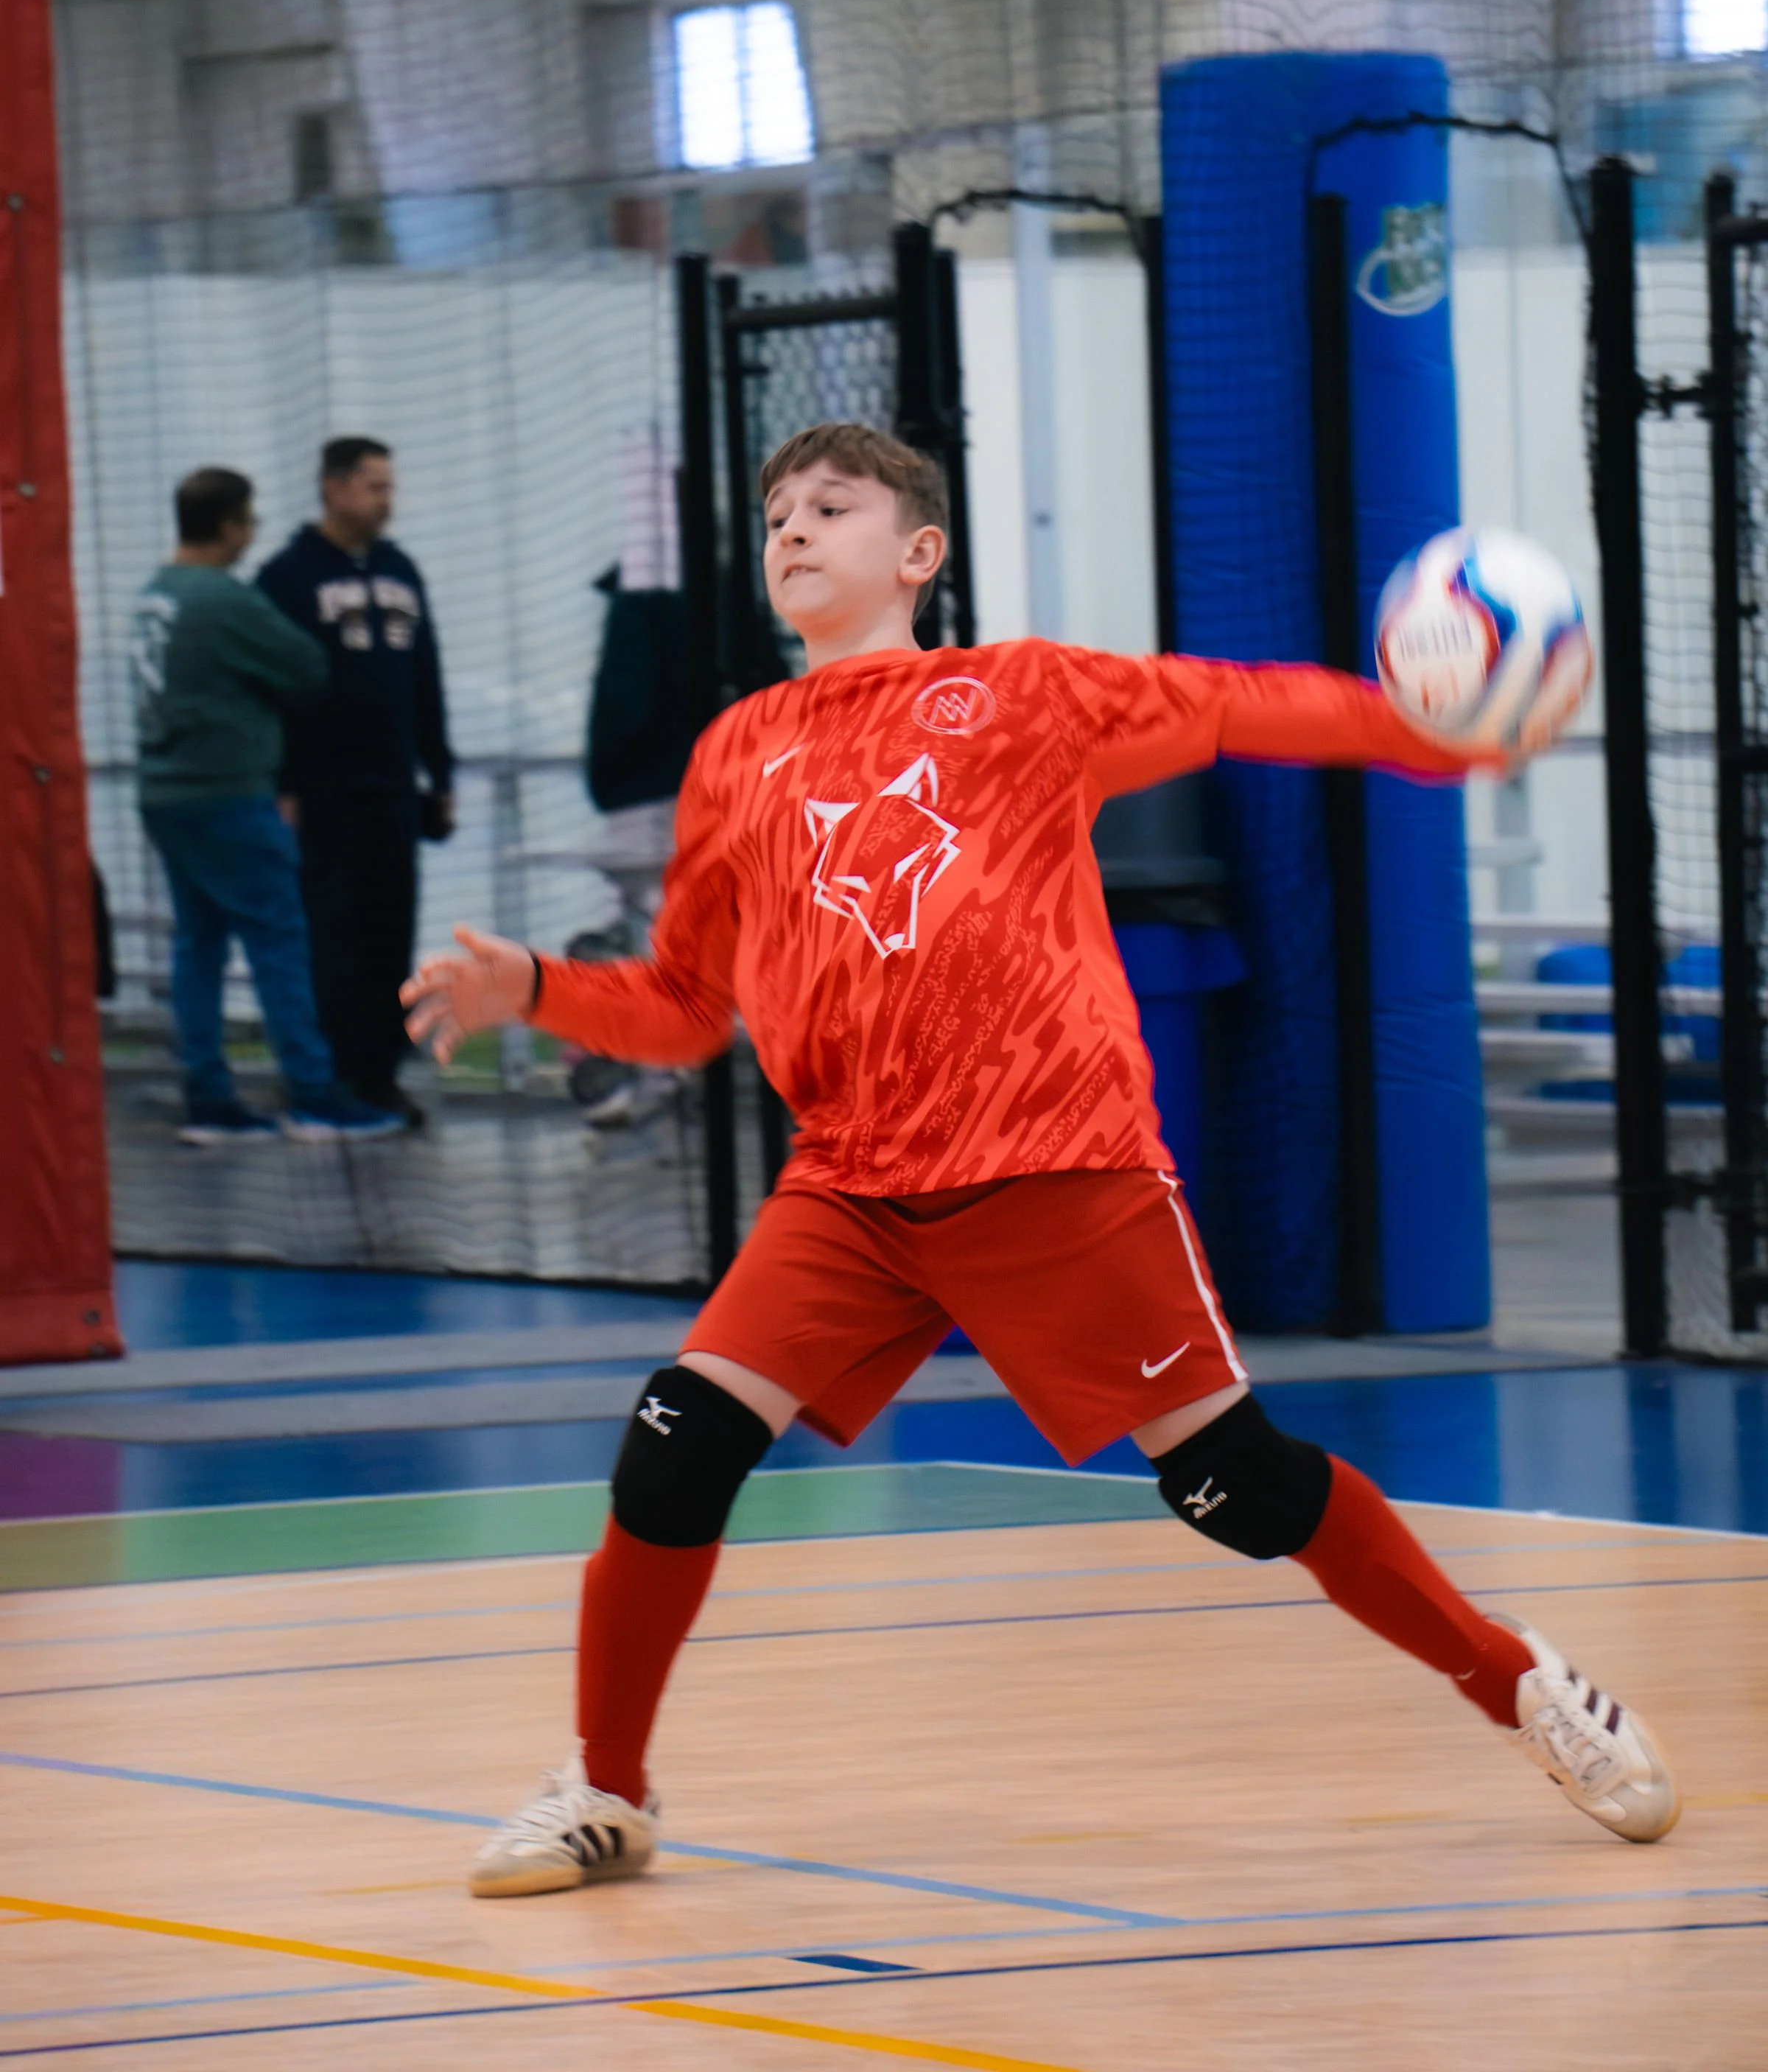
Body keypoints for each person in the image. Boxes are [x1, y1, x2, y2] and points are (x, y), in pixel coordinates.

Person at [403, 421, 1679, 1898]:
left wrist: (1429, 729)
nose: (794, 531)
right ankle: (607, 1796)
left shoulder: (1018, 695)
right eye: (776, 514)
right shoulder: (738, 752)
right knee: (675, 1447)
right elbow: (689, 1011)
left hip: (1056, 1159)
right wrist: (537, 991)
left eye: (833, 506)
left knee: (1233, 1490)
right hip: (855, 1183)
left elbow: (1240, 705)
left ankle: (1515, 1681)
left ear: (920, 552)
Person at [130, 466, 404, 1145]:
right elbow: (307, 666)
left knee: (197, 946)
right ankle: (314, 1095)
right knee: (280, 943)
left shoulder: (155, 594)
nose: (252, 535)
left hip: (165, 796)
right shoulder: (224, 600)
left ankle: (211, 1098)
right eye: (247, 522)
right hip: (229, 794)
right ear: (229, 526)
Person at [259, 435, 455, 1127]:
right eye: (374, 486)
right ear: (334, 489)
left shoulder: (402, 569)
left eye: (389, 487)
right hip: (321, 794)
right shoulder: (287, 575)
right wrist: (282, 784)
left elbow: (425, 675)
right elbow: (271, 692)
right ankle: (329, 1076)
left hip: (393, 790)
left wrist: (441, 769)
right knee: (329, 936)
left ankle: (378, 1076)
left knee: (387, 934)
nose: (386, 500)